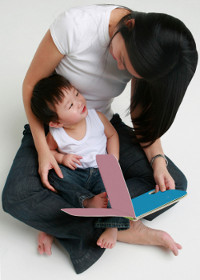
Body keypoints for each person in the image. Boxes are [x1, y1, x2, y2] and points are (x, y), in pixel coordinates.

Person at [2, 4, 198, 274]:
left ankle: (66, 222)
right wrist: (44, 150)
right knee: (16, 197)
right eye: (123, 60)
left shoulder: (144, 54)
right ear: (128, 27)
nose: (119, 67)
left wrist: (158, 160)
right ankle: (126, 226)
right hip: (58, 133)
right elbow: (31, 85)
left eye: (128, 70)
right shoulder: (75, 26)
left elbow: (140, 115)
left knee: (173, 185)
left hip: (102, 130)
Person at [31, 73, 130, 249]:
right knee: (54, 176)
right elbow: (48, 152)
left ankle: (113, 226)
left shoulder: (96, 117)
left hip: (101, 169)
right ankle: (86, 201)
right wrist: (62, 157)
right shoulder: (56, 134)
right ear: (56, 122)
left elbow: (112, 135)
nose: (79, 102)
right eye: (70, 105)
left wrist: (113, 158)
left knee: (115, 185)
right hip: (76, 174)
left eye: (76, 94)